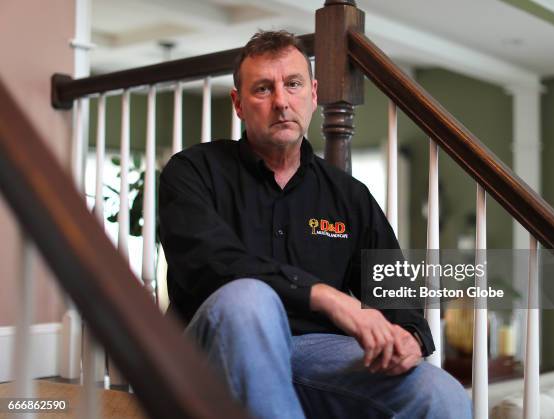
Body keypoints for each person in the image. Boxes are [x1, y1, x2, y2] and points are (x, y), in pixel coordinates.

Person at [159, 30, 471, 419]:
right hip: (210, 352)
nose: (281, 102)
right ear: (238, 104)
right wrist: (325, 296)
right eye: (262, 89)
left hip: (314, 356)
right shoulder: (193, 172)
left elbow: (395, 287)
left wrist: (409, 336)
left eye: (292, 84)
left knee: (440, 393)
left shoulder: (348, 196)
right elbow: (208, 264)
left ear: (314, 93)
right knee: (247, 301)